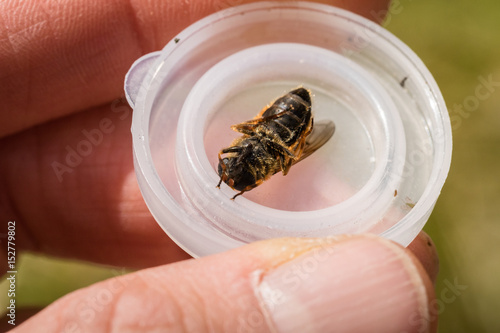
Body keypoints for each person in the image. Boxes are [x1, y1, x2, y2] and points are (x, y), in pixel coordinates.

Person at [0, 0, 438, 332]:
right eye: (233, 174)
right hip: (282, 119)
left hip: (286, 118)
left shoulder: (258, 157)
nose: (232, 168)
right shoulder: (251, 157)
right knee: (274, 147)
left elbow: (248, 150)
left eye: (232, 172)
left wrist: (265, 138)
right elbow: (241, 151)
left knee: (280, 151)